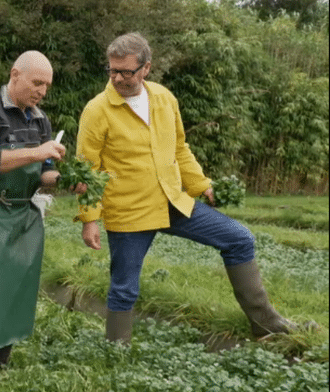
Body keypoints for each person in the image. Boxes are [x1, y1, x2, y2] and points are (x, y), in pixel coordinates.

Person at [75, 32, 302, 344]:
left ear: (146, 68)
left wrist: (201, 185)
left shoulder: (164, 99)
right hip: (130, 211)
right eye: (112, 70)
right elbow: (87, 168)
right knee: (124, 287)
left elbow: (179, 149)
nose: (117, 78)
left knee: (239, 239)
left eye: (126, 71)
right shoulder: (97, 109)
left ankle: (267, 324)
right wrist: (89, 218)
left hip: (173, 201)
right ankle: (117, 352)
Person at [0, 50, 83, 387]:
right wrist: (37, 152)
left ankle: (1, 363)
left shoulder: (41, 120)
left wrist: (68, 180)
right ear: (15, 75)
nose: (42, 91)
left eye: (47, 86)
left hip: (23, 213)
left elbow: (45, 174)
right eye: (36, 82)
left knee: (15, 288)